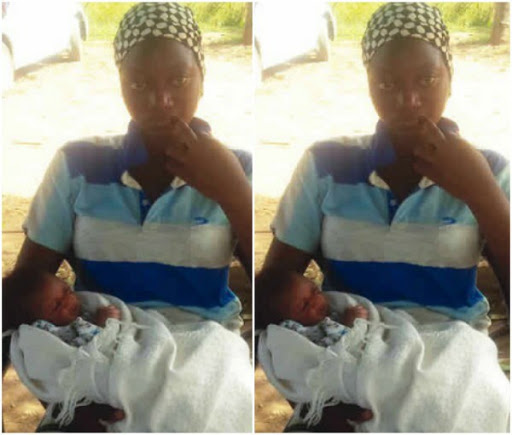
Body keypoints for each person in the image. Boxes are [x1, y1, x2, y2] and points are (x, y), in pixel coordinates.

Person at [261, 2, 509, 431]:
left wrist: (482, 194)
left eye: (427, 79)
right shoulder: (325, 165)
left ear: (450, 77)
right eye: (387, 82)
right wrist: (313, 393)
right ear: (368, 83)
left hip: (451, 366)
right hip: (348, 364)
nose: (408, 101)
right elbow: (273, 294)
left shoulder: (489, 170)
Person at [4, 2, 252, 431]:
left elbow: (277, 291)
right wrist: (65, 392)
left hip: (203, 362)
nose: (161, 101)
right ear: (119, 81)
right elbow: (23, 294)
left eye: (178, 79)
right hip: (98, 360)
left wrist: (232, 191)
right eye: (138, 83)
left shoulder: (238, 168)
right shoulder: (78, 165)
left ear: (203, 75)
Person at [3, 268, 121, 345]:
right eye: (57, 306)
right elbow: (81, 355)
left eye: (67, 291)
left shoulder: (82, 311)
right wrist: (101, 326)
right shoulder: (49, 334)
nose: (70, 301)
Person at [256, 269, 368, 347]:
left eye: (315, 291)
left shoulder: (332, 311)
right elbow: (328, 355)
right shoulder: (299, 334)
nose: (317, 301)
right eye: (305, 305)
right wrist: (347, 326)